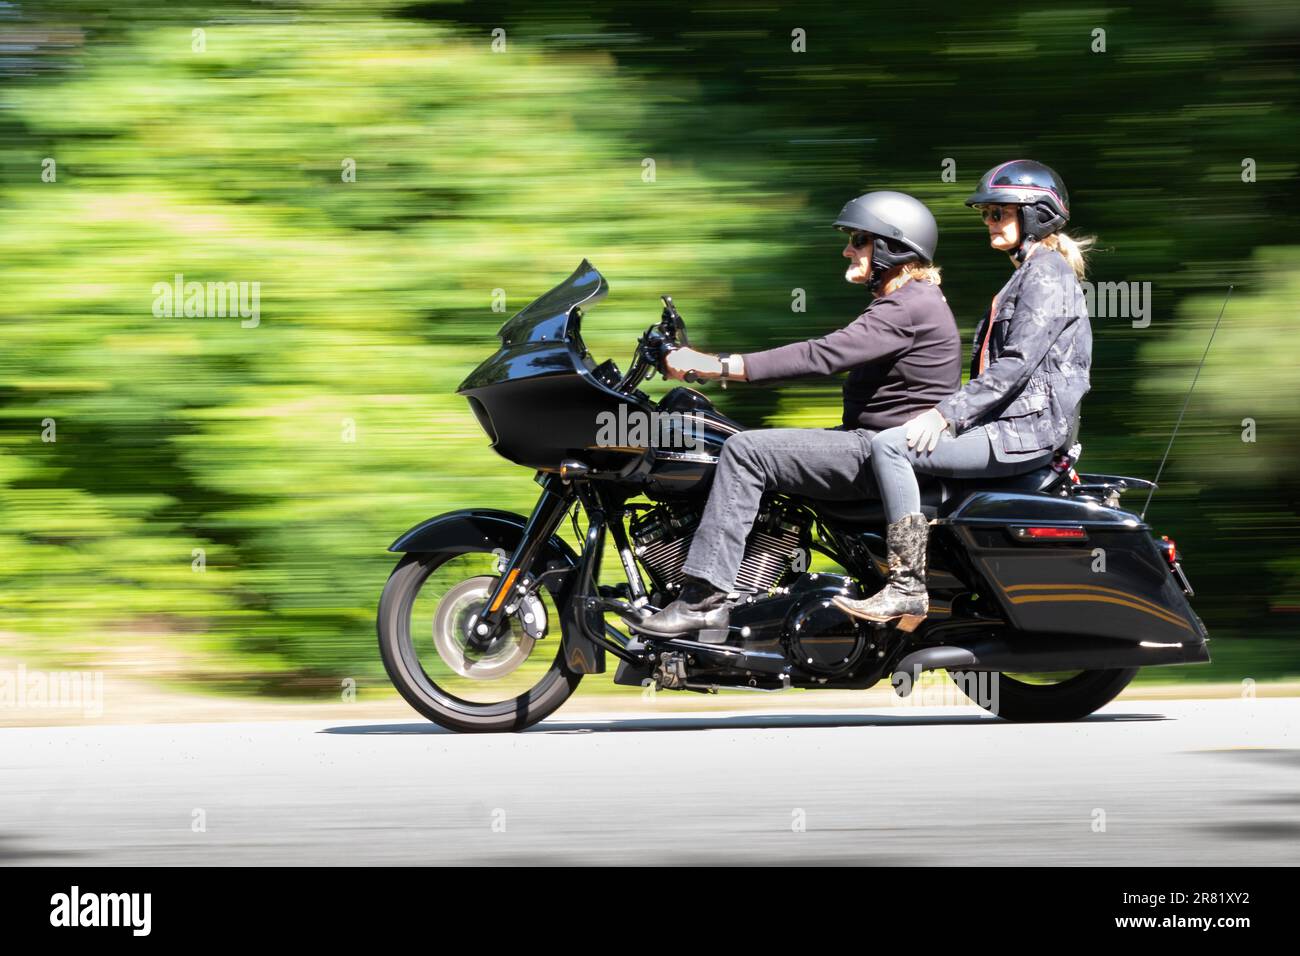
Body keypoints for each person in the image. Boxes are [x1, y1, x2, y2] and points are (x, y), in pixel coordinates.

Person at [634, 190, 961, 638]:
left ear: (892, 248)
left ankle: (705, 599)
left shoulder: (908, 306)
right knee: (742, 441)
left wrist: (715, 364)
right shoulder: (908, 302)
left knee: (747, 450)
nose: (847, 249)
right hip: (872, 441)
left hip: (880, 449)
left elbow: (822, 355)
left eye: (859, 240)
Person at [835, 160, 1095, 631]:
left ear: (1037, 215)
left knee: (891, 445)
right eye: (987, 215)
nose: (990, 223)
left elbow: (1017, 364)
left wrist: (944, 415)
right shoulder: (1031, 272)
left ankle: (907, 587)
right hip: (1014, 426)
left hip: (1026, 433)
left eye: (1000, 213)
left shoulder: (1046, 274)